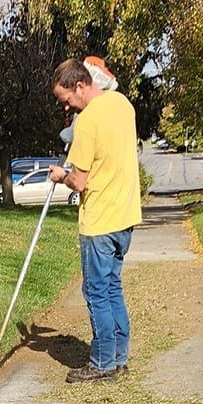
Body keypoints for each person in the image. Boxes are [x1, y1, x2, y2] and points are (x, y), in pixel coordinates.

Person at [49, 57, 142, 384]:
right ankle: (119, 359)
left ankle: (102, 362)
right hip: (125, 218)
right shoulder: (123, 105)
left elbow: (80, 182)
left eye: (67, 100)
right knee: (113, 288)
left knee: (97, 293)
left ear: (80, 86)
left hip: (100, 222)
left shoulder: (88, 122)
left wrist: (61, 175)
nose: (68, 107)